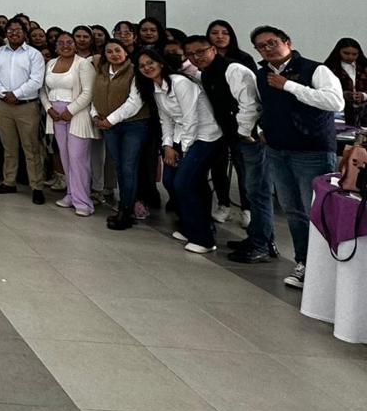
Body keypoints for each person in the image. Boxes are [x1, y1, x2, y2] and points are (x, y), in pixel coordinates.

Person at [248, 25, 343, 289]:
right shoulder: (262, 74)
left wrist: (289, 85)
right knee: (292, 210)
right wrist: (262, 129)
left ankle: (327, 268)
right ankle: (304, 262)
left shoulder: (316, 69)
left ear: (287, 42)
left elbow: (335, 102)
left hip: (311, 151)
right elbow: (264, 106)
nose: (267, 49)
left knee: (317, 211)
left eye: (272, 43)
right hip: (277, 150)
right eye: (261, 46)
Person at [181, 36, 267, 261]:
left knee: (257, 192)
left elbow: (251, 104)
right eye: (190, 54)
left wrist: (244, 132)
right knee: (252, 189)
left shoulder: (234, 69)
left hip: (249, 139)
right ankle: (258, 238)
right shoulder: (207, 73)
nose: (196, 57)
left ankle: (263, 244)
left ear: (213, 49)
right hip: (232, 138)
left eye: (200, 52)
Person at [136, 48, 222, 253]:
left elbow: (191, 119)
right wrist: (167, 146)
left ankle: (203, 239)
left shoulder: (180, 82)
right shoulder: (155, 88)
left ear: (161, 63)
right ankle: (189, 226)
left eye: (150, 63)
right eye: (142, 66)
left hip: (205, 137)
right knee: (170, 181)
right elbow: (165, 120)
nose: (147, 68)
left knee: (184, 183)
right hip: (180, 138)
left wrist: (183, 150)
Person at [89, 41, 149, 230]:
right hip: (110, 126)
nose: (114, 54)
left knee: (128, 167)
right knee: (120, 167)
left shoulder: (135, 71)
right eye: (109, 51)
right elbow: (95, 97)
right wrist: (95, 115)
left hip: (133, 125)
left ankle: (126, 211)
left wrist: (110, 120)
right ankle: (124, 206)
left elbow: (135, 102)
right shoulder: (101, 72)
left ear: (126, 52)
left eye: (118, 50)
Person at [0, 21, 48, 204]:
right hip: (3, 105)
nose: (14, 33)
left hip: (26, 106)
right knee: (9, 147)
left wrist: (16, 94)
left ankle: (36, 186)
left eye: (18, 30)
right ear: (6, 33)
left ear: (24, 33)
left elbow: (36, 80)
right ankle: (9, 182)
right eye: (10, 30)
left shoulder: (34, 54)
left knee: (32, 148)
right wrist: (3, 93)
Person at [41, 33, 99, 215]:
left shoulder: (83, 64)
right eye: (61, 43)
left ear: (75, 45)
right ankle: (71, 194)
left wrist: (70, 110)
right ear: (56, 46)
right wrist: (49, 108)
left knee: (78, 158)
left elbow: (89, 92)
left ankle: (83, 202)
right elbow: (43, 90)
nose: (65, 46)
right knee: (65, 157)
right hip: (56, 117)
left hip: (76, 116)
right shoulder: (51, 63)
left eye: (69, 42)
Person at [324, 37, 367, 126]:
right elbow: (324, 90)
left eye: (354, 54)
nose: (350, 57)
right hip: (339, 112)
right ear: (338, 52)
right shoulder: (328, 68)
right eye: (346, 53)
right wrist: (343, 94)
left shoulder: (365, 67)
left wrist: (364, 96)